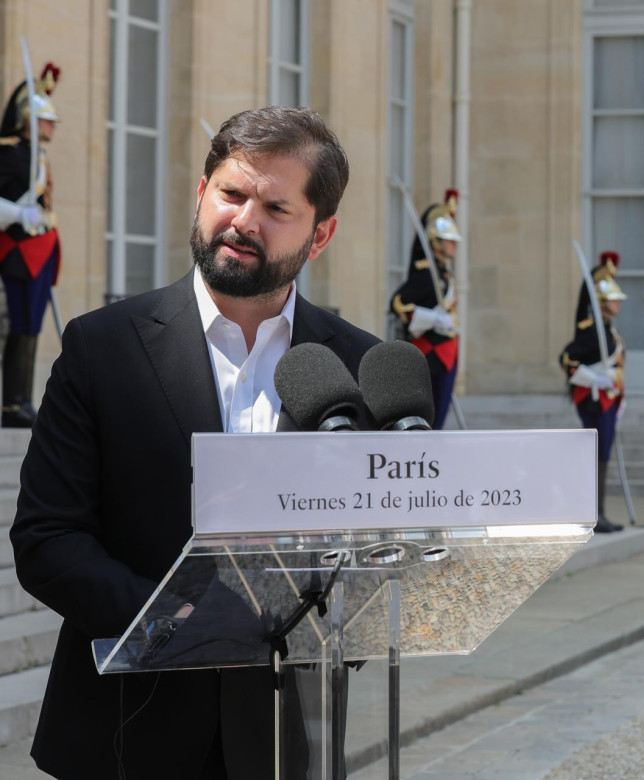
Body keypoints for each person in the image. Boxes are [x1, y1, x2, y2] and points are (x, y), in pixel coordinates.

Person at [9, 106, 380, 779]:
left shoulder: (360, 366)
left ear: (320, 235)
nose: (243, 221)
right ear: (201, 194)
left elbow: (380, 555)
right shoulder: (101, 347)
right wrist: (179, 620)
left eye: (276, 207)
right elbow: (47, 541)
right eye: (231, 194)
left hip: (287, 736)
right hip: (125, 732)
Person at [0, 63, 62, 427]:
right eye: (47, 120)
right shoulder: (8, 153)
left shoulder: (37, 155)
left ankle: (20, 399)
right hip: (20, 251)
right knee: (21, 324)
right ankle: (11, 403)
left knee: (32, 326)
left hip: (41, 250)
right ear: (30, 120)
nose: (53, 126)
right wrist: (17, 214)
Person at [560, 251, 627, 533]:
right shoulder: (590, 332)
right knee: (596, 455)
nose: (617, 303)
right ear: (601, 302)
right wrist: (595, 380)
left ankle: (598, 511)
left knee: (602, 455)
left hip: (608, 401)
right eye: (612, 299)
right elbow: (567, 360)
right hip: (594, 402)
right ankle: (593, 512)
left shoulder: (608, 331)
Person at [391, 189, 460, 428]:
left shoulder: (442, 273)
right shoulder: (425, 274)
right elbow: (399, 303)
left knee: (440, 415)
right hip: (430, 354)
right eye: (448, 241)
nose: (453, 246)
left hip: (446, 354)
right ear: (435, 241)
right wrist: (434, 319)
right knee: (429, 418)